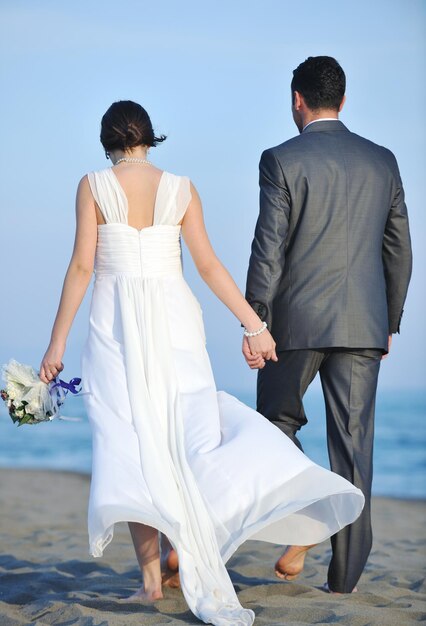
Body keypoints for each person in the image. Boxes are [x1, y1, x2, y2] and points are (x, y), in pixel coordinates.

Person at [39, 100, 365, 625]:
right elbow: (209, 265)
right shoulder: (182, 188)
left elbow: (81, 266)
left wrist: (55, 346)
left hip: (116, 328)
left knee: (131, 444)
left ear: (108, 141)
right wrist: (254, 326)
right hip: (175, 326)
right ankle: (248, 508)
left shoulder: (93, 185)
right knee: (189, 437)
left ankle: (150, 584)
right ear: (151, 137)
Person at [244, 56, 412, 594]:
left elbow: (267, 248)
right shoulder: (383, 161)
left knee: (273, 426)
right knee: (354, 447)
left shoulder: (281, 159)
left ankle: (316, 507)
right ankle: (343, 586)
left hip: (293, 324)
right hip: (365, 323)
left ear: (298, 99)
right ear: (343, 99)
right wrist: (390, 320)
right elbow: (399, 250)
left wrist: (254, 319)